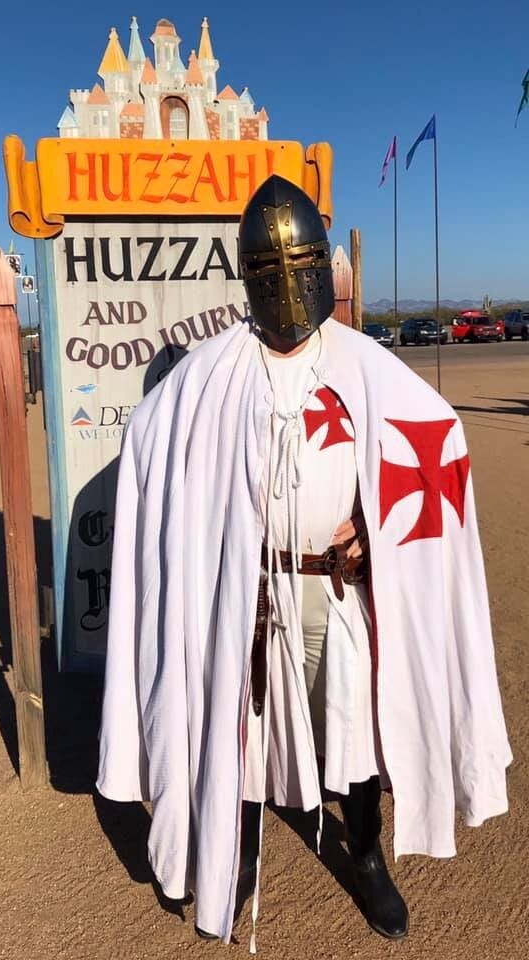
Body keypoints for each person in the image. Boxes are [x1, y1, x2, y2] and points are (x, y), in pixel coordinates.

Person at [97, 175, 512, 949]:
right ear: (247, 275)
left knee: (355, 732)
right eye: (268, 269)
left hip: (337, 586)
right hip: (247, 590)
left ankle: (367, 853)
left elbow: (437, 446)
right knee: (240, 728)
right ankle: (237, 854)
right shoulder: (211, 374)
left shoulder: (366, 365)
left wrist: (380, 523)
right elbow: (154, 440)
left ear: (322, 265)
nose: (286, 284)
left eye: (299, 265)